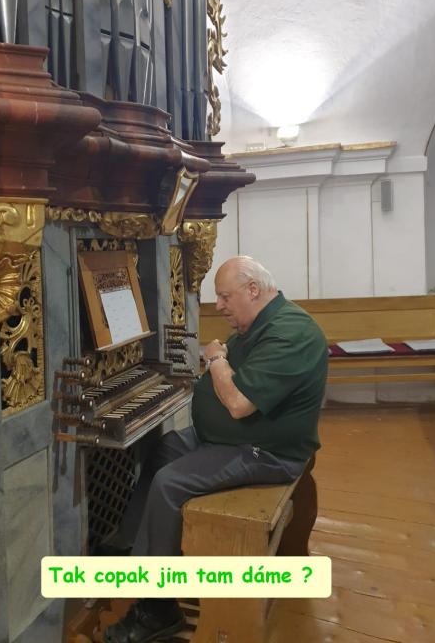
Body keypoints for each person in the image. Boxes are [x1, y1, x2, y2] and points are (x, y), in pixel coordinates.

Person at [103, 255, 328, 643]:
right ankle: (136, 551)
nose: (219, 305)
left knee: (170, 482)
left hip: (268, 451)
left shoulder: (291, 333)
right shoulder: (259, 323)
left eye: (225, 297)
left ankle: (158, 610)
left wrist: (217, 358)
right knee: (165, 448)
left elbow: (239, 403)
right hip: (230, 439)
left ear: (253, 289)